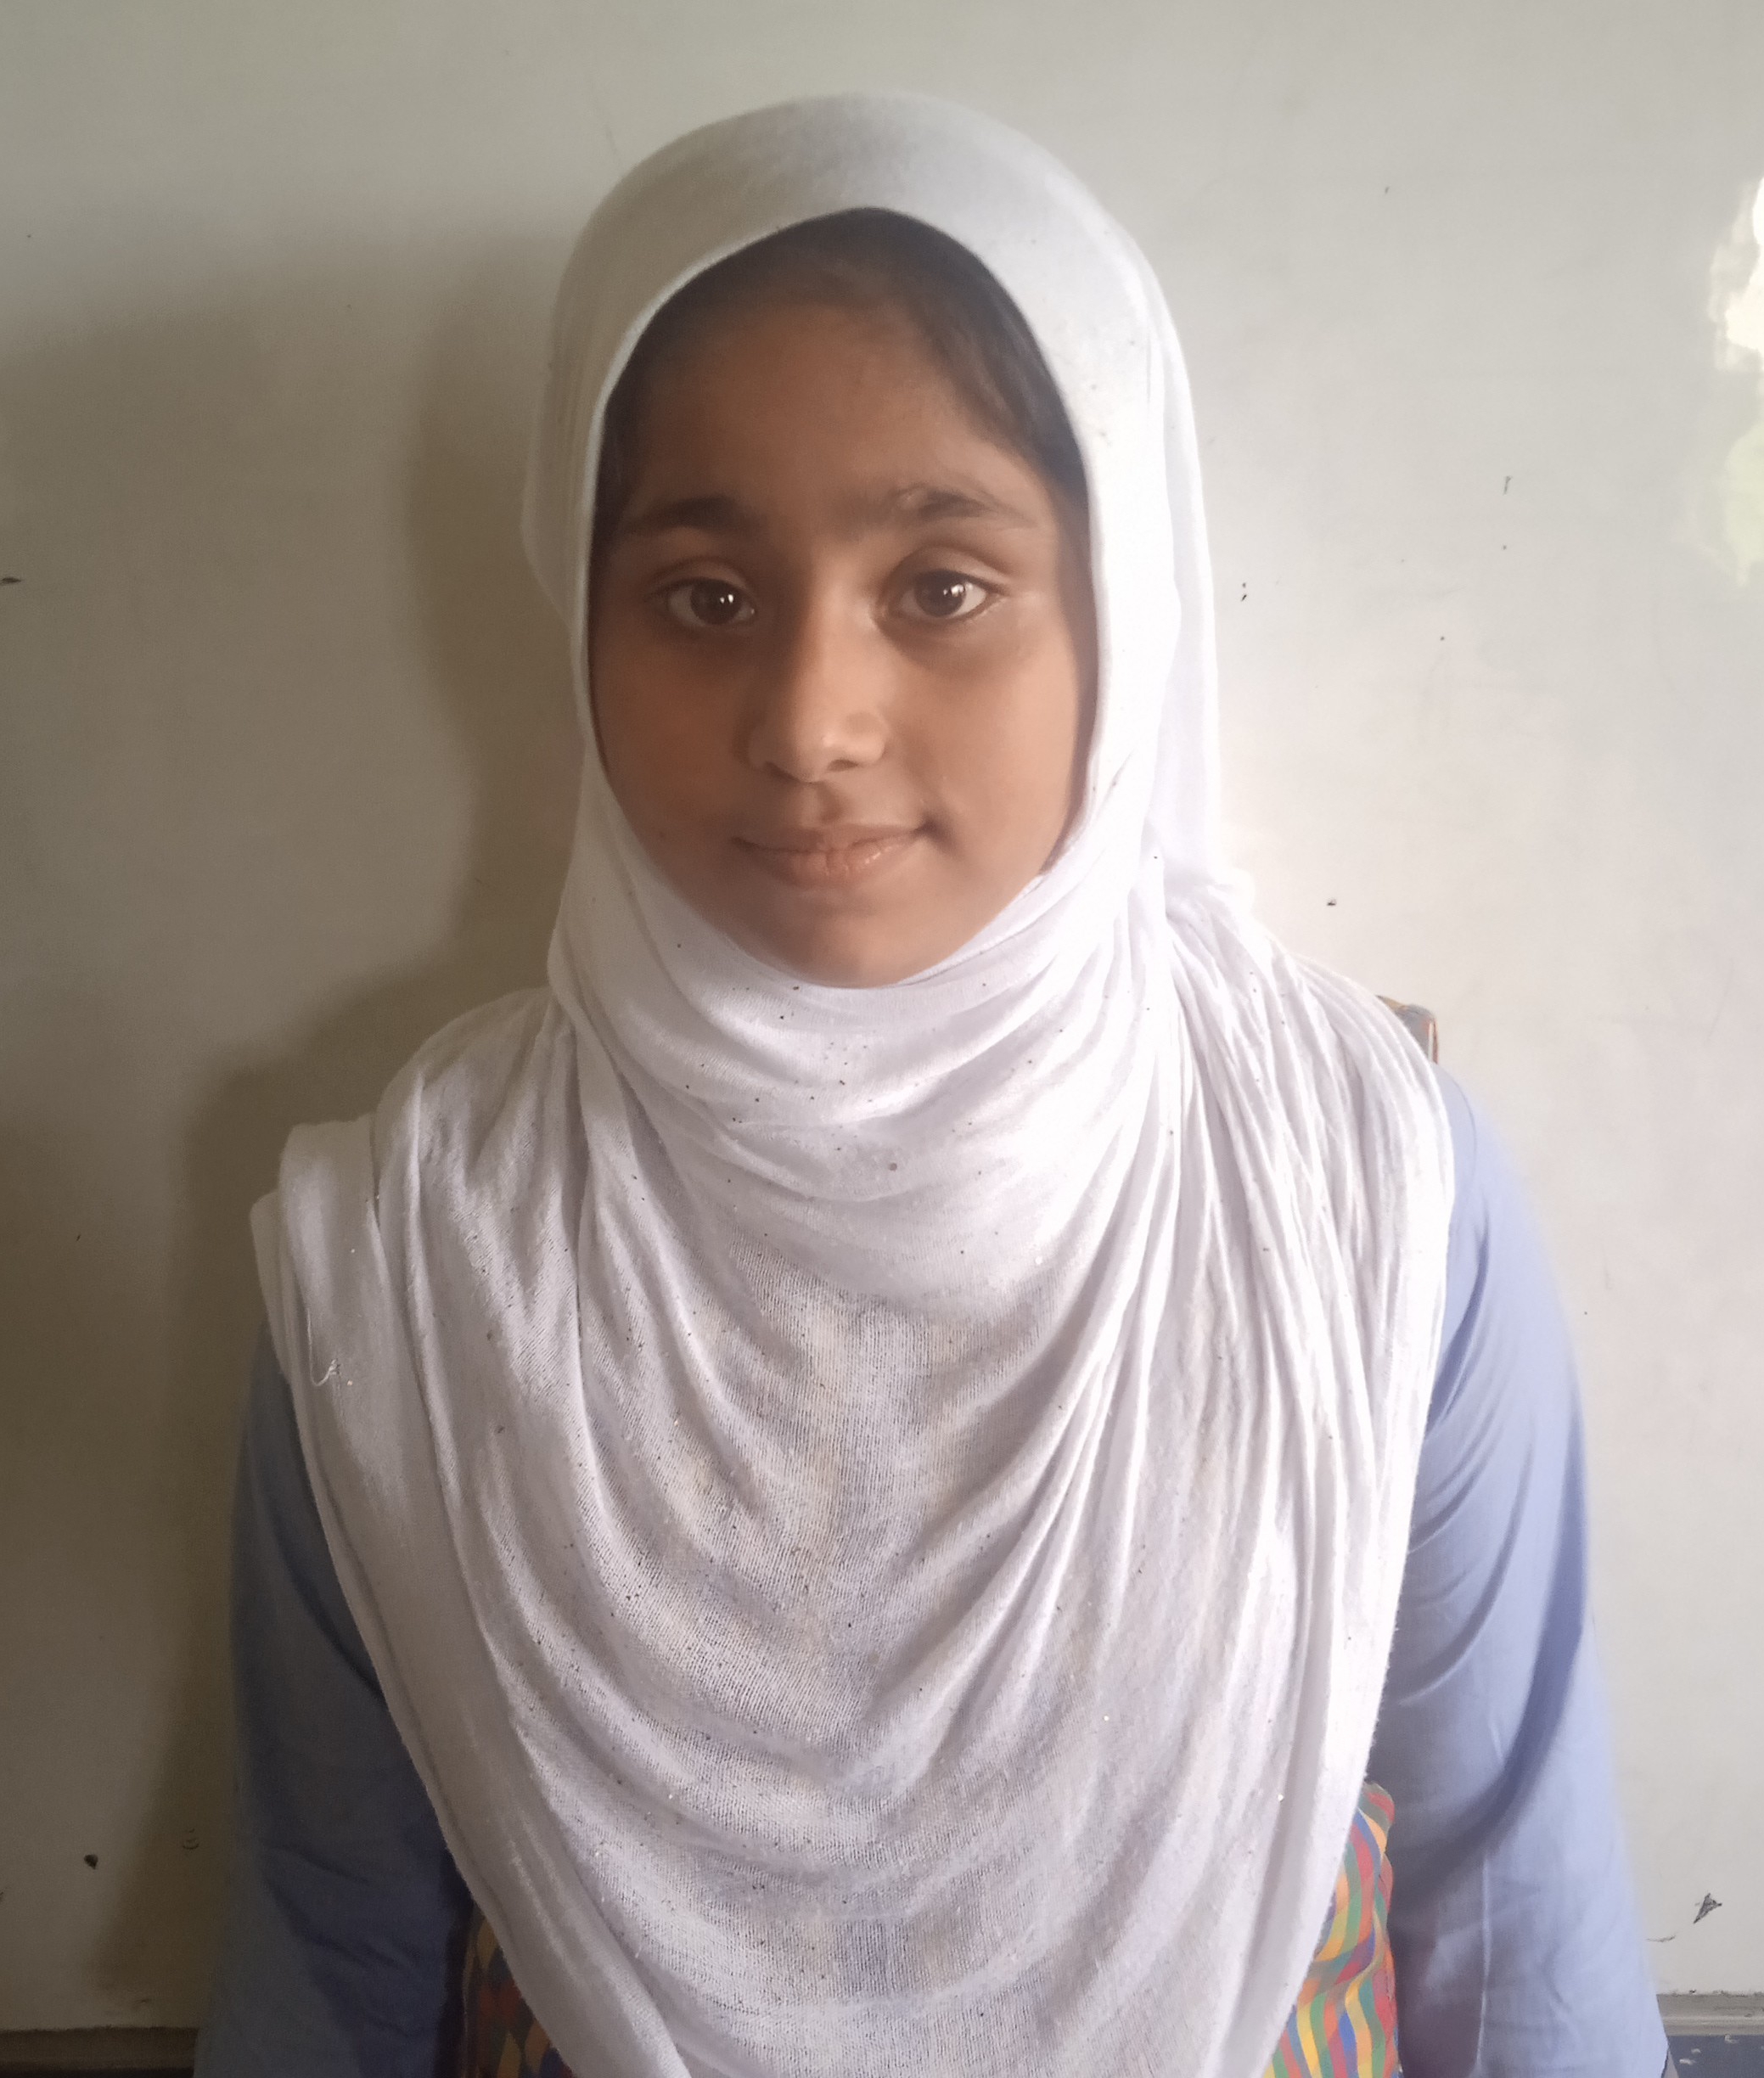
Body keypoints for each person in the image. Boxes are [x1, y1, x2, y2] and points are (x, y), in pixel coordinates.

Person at [196, 94, 1671, 2078]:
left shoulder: (1357, 1194)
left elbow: (1515, 1915)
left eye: (945, 588)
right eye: (705, 597)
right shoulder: (411, 1257)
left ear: (1120, 611)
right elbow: (329, 1938)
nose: (813, 720)